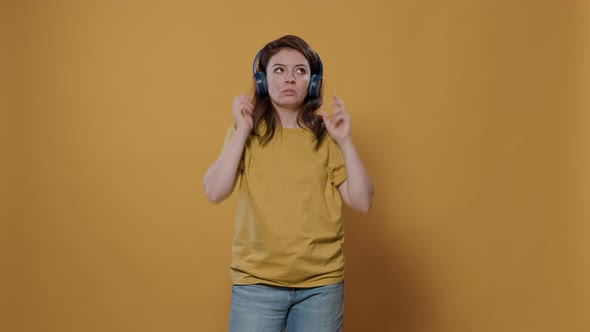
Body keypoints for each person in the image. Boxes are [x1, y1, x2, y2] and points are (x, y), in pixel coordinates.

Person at [204, 35, 374, 332]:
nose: (289, 78)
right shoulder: (245, 132)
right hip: (256, 282)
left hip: (321, 285)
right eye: (279, 70)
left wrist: (345, 141)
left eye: (300, 71)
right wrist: (243, 129)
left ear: (312, 82)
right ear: (262, 81)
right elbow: (215, 191)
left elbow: (362, 201)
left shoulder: (326, 135)